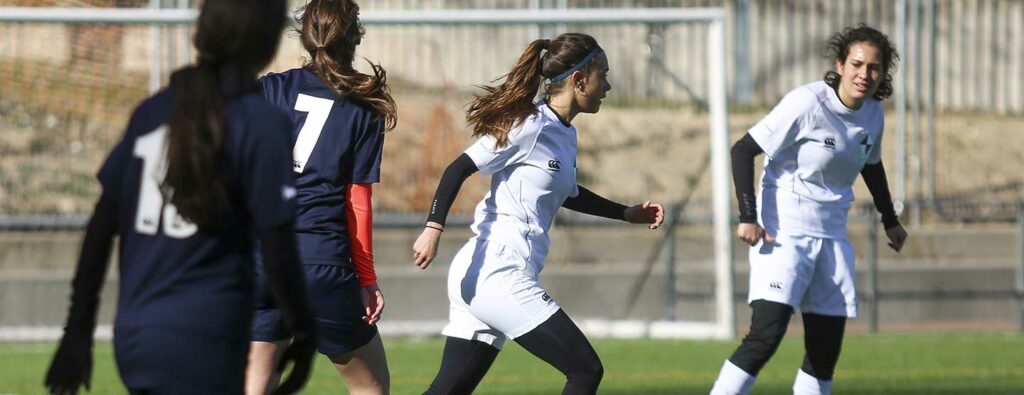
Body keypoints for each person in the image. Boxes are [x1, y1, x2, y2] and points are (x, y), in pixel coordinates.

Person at [43, 0, 317, 394]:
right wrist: (304, 334)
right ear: (266, 41)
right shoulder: (259, 123)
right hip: (208, 337)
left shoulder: (152, 112)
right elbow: (279, 248)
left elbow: (100, 230)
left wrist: (77, 332)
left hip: (137, 339)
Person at [412, 32, 665, 395]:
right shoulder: (528, 124)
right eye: (603, 75)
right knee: (585, 370)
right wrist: (432, 228)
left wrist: (626, 213)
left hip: (486, 275)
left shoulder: (565, 134)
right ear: (579, 80)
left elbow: (568, 193)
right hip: (496, 271)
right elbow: (459, 167)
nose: (608, 85)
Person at [709, 24, 909, 395]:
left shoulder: (873, 114)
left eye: (874, 68)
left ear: (882, 73)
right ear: (840, 64)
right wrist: (748, 217)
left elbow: (871, 164)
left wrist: (890, 220)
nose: (864, 74)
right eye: (857, 64)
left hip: (832, 236)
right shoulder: (807, 103)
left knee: (824, 351)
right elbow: (742, 150)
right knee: (765, 337)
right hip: (783, 232)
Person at [245, 1, 396, 394]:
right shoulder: (364, 106)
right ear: (355, 36)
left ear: (305, 35)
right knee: (371, 387)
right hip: (319, 262)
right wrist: (366, 278)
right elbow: (357, 201)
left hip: (262, 260)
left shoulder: (269, 89)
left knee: (255, 385)